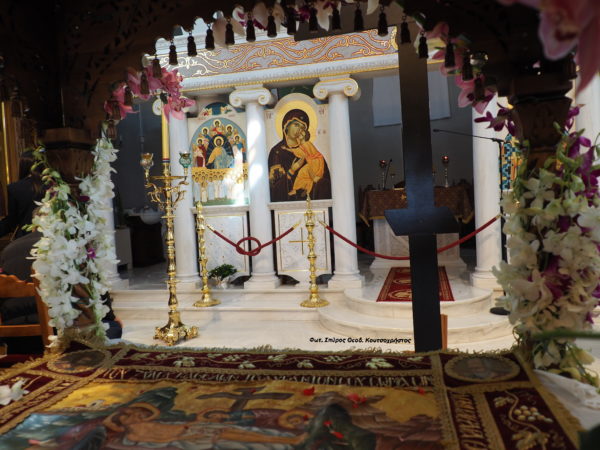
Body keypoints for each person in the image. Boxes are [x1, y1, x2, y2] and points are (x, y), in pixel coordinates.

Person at [268, 109, 331, 202]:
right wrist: (292, 170)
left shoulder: (311, 151)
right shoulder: (277, 152)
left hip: (313, 204)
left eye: (302, 128)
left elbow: (326, 183)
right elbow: (274, 187)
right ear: (286, 125)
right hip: (286, 207)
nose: (299, 130)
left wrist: (316, 180)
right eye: (296, 125)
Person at [0, 150, 44, 239]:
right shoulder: (53, 185)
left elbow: (12, 222)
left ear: (22, 166)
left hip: (25, 238)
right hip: (50, 237)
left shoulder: (14, 188)